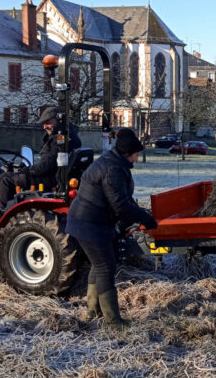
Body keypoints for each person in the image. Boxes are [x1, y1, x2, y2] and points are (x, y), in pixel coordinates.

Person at [65, 128, 158, 328]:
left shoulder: (114, 162)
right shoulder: (112, 169)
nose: (136, 159)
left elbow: (122, 200)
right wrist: (145, 219)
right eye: (136, 155)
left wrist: (139, 214)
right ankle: (113, 320)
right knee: (105, 266)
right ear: (127, 153)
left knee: (98, 264)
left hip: (91, 222)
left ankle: (92, 311)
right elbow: (120, 205)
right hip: (89, 223)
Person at [0, 106, 81, 214]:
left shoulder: (59, 140)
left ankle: (1, 214)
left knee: (5, 179)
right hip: (54, 176)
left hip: (49, 179)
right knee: (9, 176)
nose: (45, 126)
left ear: (58, 120)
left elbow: (48, 165)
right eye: (43, 124)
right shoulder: (70, 136)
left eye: (48, 122)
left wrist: (28, 170)